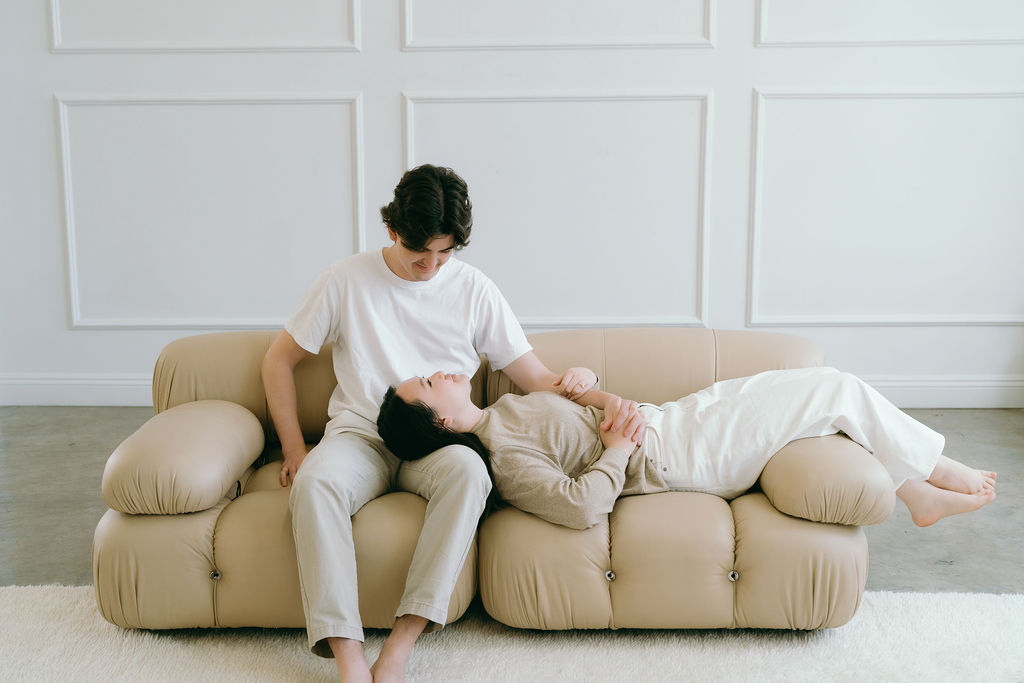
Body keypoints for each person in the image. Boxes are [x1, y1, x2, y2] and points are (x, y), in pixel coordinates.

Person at [261, 164, 644, 683]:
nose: (432, 266)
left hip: (440, 440)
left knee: (471, 474)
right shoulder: (344, 280)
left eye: (445, 253)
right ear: (392, 231)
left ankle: (399, 646)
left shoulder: (474, 289)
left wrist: (596, 387)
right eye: (421, 254)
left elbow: (534, 376)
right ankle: (349, 659)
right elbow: (278, 361)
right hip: (361, 435)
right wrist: (292, 450)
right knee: (314, 484)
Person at [376, 367, 996, 532]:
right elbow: (579, 506)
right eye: (429, 385)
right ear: (443, 425)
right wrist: (617, 447)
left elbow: (601, 416)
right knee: (834, 389)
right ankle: (939, 466)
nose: (440, 373)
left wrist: (595, 393)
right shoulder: (503, 458)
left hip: (669, 420)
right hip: (678, 456)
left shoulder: (509, 405)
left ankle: (914, 492)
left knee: (817, 405)